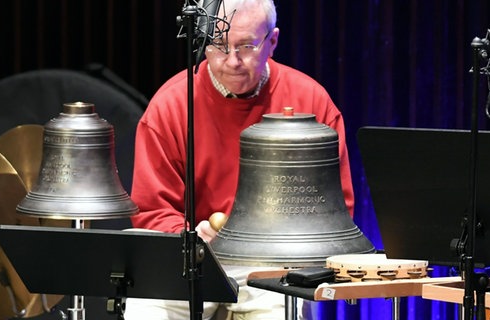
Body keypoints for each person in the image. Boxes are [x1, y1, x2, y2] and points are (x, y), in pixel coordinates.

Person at [124, 0, 355, 319]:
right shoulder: (170, 106)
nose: (232, 60)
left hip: (271, 262)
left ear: (272, 41)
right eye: (219, 45)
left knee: (278, 312)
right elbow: (152, 210)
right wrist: (190, 235)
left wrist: (281, 247)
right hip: (188, 253)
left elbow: (336, 212)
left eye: (246, 46)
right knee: (146, 310)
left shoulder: (312, 103)